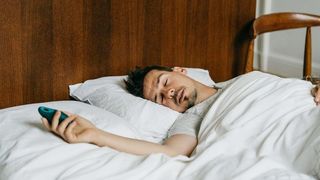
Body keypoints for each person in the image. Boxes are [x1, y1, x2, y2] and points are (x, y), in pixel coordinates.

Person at [42, 65, 320, 157]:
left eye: (165, 82)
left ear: (180, 71)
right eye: (160, 98)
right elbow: (169, 152)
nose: (169, 93)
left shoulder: (243, 80)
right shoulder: (191, 120)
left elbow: (286, 91)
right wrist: (95, 134)